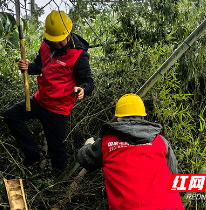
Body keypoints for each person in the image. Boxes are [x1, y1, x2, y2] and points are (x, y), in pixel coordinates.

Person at [3, 10, 94, 176]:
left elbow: (88, 81)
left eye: (60, 40)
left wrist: (82, 89)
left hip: (58, 110)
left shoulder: (79, 55)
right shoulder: (46, 45)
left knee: (57, 150)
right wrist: (27, 67)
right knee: (11, 115)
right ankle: (33, 154)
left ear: (68, 33)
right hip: (40, 100)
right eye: (54, 40)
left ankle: (60, 186)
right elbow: (39, 66)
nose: (57, 44)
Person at [77, 94, 184, 210]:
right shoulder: (160, 141)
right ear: (143, 118)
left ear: (117, 118)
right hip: (170, 205)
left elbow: (85, 159)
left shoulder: (106, 143)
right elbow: (174, 173)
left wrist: (88, 144)